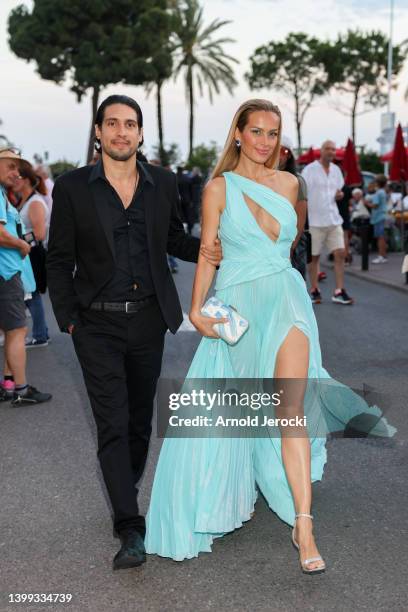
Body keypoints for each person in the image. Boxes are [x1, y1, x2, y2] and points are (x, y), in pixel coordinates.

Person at [145, 99, 395, 572]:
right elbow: (208, 253)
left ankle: (304, 524)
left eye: (273, 133)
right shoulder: (217, 188)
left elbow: (288, 248)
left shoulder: (290, 184)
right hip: (239, 305)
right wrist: (197, 310)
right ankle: (230, 491)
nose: (265, 141)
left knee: (290, 408)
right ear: (238, 133)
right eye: (256, 131)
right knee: (238, 409)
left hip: (286, 301)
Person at [46, 94, 222, 571]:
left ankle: (125, 490)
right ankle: (130, 524)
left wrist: (221, 249)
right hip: (95, 322)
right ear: (98, 133)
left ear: (141, 134)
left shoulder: (162, 184)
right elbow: (59, 258)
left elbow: (177, 240)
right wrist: (69, 318)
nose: (122, 132)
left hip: (148, 320)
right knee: (112, 424)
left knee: (140, 422)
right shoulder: (73, 188)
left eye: (131, 124)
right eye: (113, 124)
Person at [0, 148, 52, 405]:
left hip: (10, 270)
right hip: (6, 271)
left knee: (11, 331)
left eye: (18, 169)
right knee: (17, 330)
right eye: (10, 167)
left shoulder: (6, 195)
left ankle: (9, 384)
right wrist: (21, 245)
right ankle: (20, 389)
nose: (15, 173)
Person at [301, 141, 353, 305]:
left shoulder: (337, 171)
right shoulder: (309, 170)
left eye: (333, 149)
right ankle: (314, 289)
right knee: (314, 257)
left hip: (334, 219)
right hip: (315, 221)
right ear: (321, 151)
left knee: (340, 253)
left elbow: (338, 192)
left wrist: (339, 196)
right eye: (328, 149)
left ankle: (339, 290)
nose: (331, 152)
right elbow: (302, 193)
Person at [13, 161, 50, 347]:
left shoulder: (35, 202)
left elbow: (40, 233)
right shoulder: (24, 200)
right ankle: (40, 332)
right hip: (26, 253)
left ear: (27, 180)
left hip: (34, 254)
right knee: (29, 292)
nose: (14, 180)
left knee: (32, 293)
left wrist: (17, 240)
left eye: (18, 177)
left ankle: (40, 334)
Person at [279, 136, 309, 280]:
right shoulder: (261, 178)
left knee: (294, 289)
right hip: (268, 244)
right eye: (274, 150)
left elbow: (300, 219)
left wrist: (291, 247)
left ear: (289, 155)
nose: (278, 155)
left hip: (292, 243)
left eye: (283, 151)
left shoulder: (297, 181)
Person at [365, 174, 388, 264]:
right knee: (381, 237)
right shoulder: (382, 192)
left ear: (377, 183)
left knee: (380, 237)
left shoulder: (378, 193)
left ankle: (381, 256)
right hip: (381, 216)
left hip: (378, 217)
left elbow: (375, 205)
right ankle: (383, 255)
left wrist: (367, 203)